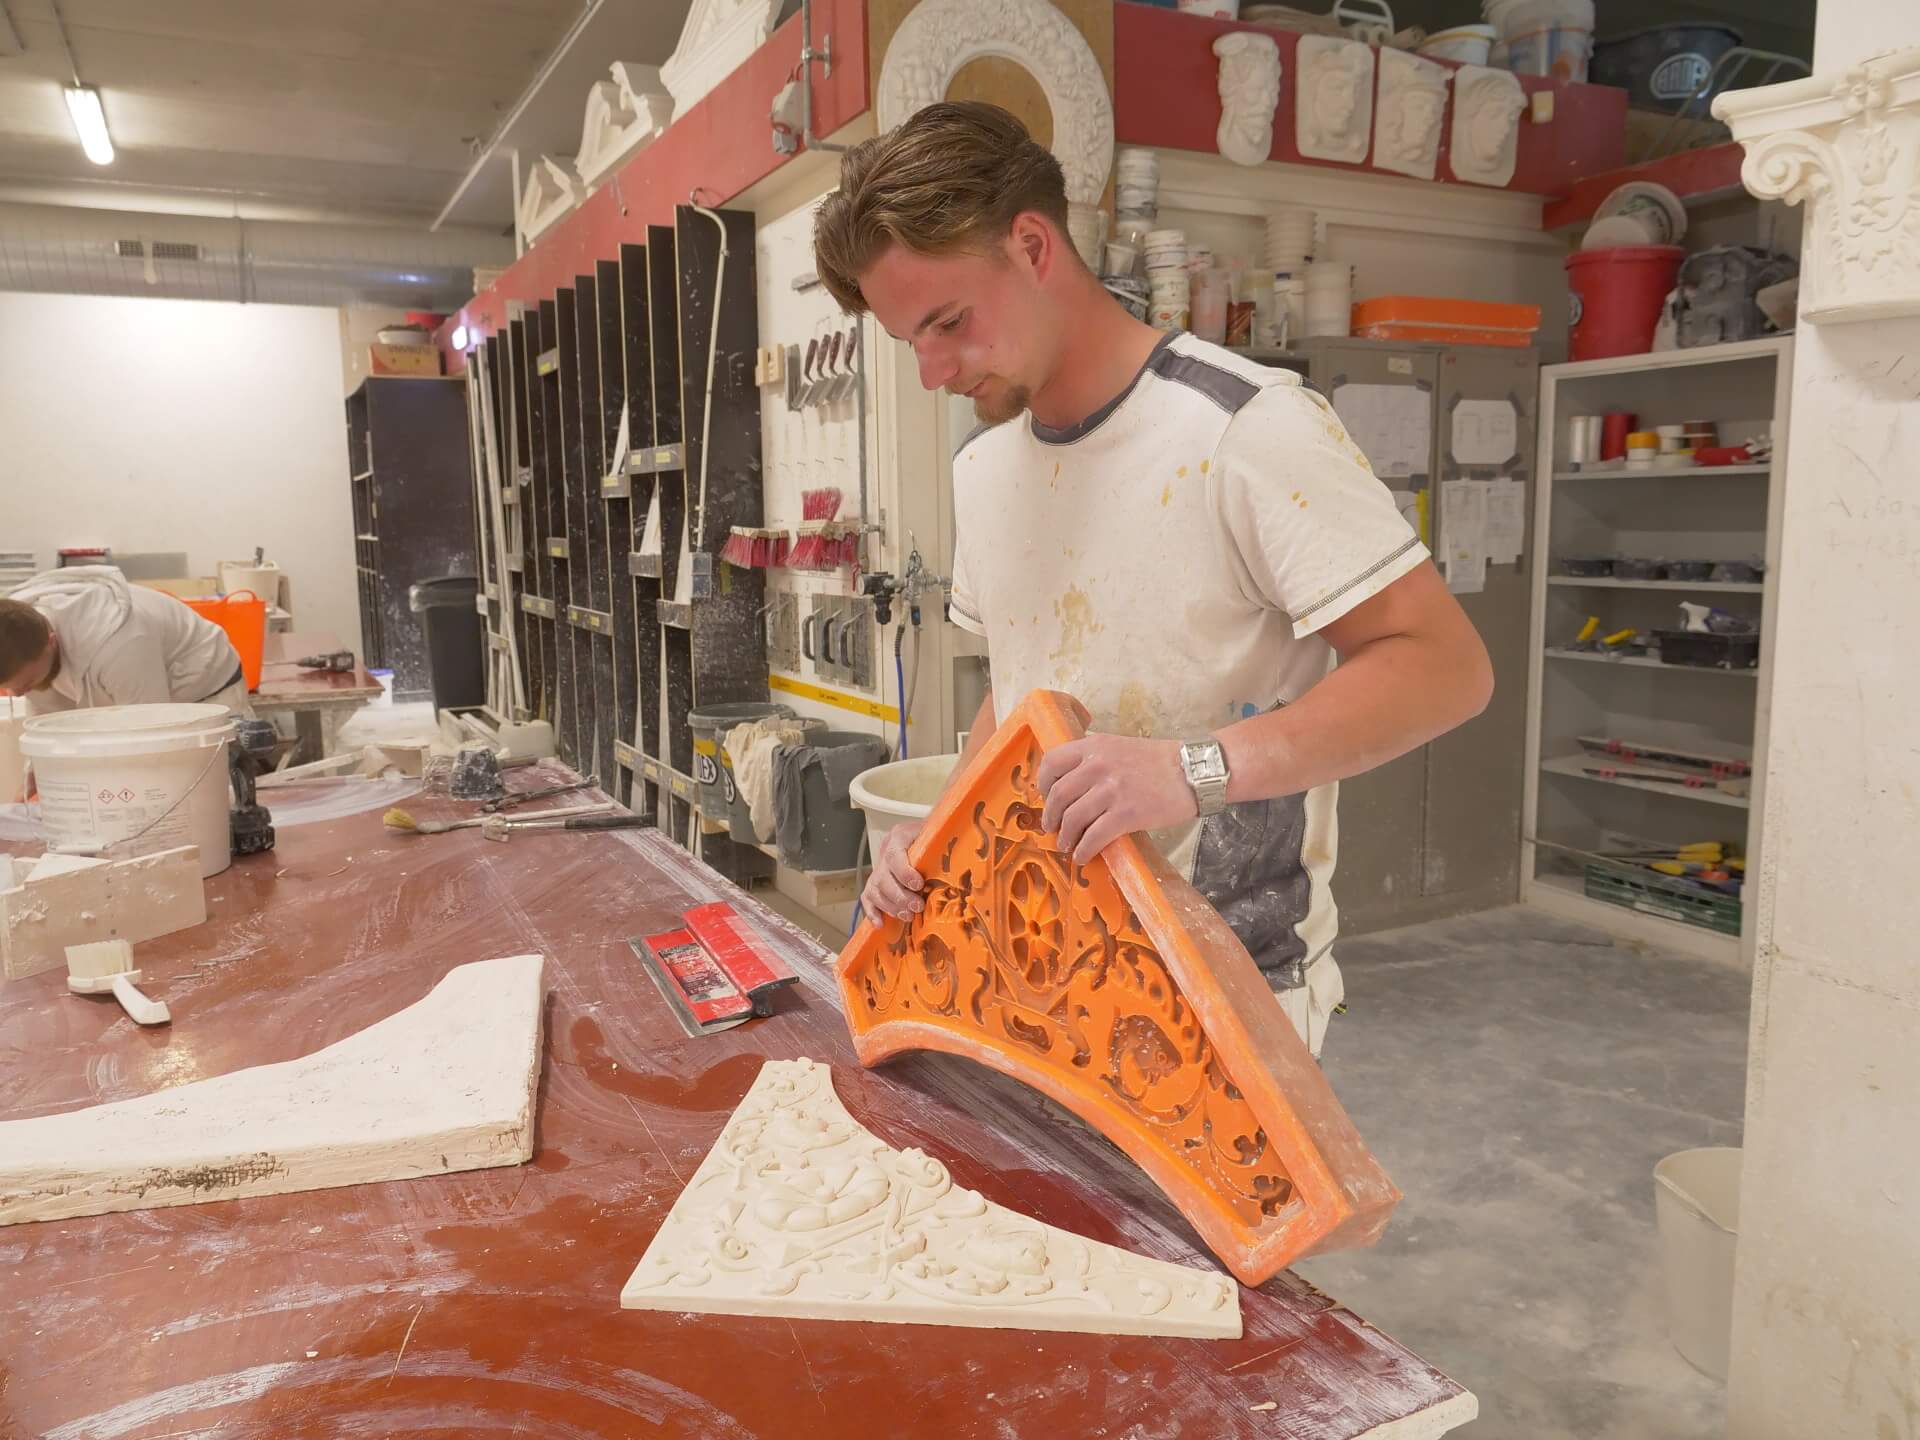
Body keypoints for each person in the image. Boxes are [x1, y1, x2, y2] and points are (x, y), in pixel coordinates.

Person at [812, 102, 1493, 1056]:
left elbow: (1445, 668)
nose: (933, 371)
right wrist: (939, 844)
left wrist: (1191, 769)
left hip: (1232, 987)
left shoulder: (1245, 430)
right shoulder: (984, 469)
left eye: (950, 323)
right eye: (908, 341)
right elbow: (1014, 702)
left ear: (1033, 245)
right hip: (1045, 966)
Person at [0, 566, 251, 717]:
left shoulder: (120, 646)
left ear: (51, 641)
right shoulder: (22, 633)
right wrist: (39, 763)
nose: (17, 694)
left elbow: (153, 731)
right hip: (136, 696)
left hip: (208, 695)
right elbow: (51, 712)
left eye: (29, 683)